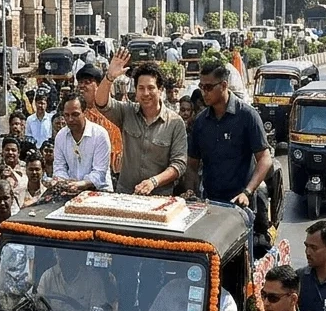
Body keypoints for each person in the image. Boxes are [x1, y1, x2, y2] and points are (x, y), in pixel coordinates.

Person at [96, 50, 187, 195]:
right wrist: (109, 77)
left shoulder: (175, 123)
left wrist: (154, 182)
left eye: (151, 88)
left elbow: (179, 164)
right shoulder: (126, 112)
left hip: (159, 198)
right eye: (141, 88)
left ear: (160, 90)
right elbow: (101, 103)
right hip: (126, 195)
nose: (145, 93)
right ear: (136, 91)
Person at [186, 61, 272, 207]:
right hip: (210, 202)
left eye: (208, 87)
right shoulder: (200, 122)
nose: (204, 92)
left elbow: (265, 158)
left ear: (224, 85)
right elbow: (192, 164)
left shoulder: (247, 115)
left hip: (241, 203)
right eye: (201, 87)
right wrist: (191, 191)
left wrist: (247, 192)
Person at [51, 94, 113, 193]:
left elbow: (99, 172)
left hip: (99, 190)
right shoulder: (61, 136)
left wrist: (81, 184)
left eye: (75, 114)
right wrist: (63, 181)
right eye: (66, 115)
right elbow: (59, 166)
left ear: (84, 112)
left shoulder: (99, 134)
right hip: (71, 190)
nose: (70, 119)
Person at [77, 64, 123, 177]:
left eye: (87, 82)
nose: (82, 86)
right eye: (80, 83)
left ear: (98, 86)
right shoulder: (77, 114)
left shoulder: (112, 111)